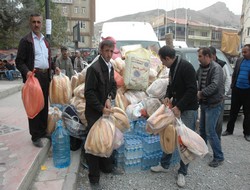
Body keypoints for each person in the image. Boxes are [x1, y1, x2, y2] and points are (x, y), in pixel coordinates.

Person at [150, 46, 198, 188]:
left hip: (187, 109)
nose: (163, 64)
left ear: (168, 58)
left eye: (163, 62)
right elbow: (171, 85)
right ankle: (164, 165)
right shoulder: (173, 68)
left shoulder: (186, 67)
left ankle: (182, 172)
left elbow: (192, 90)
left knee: (185, 141)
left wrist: (179, 107)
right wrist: (167, 97)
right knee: (168, 134)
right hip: (176, 107)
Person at [15, 13, 58, 148]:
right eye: (34, 22)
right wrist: (27, 72)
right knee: (35, 106)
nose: (36, 24)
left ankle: (43, 131)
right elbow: (19, 61)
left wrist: (55, 67)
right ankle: (35, 136)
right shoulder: (26, 41)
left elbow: (48, 60)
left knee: (44, 105)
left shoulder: (45, 41)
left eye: (38, 22)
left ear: (41, 24)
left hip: (45, 76)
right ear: (30, 23)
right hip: (34, 76)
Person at [84, 39, 117, 185]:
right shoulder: (94, 68)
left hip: (105, 111)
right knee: (94, 145)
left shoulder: (111, 67)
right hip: (94, 112)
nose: (109, 54)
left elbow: (113, 86)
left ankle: (106, 168)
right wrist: (101, 108)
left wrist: (109, 98)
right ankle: (94, 179)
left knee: (106, 139)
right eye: (106, 51)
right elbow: (89, 93)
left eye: (111, 51)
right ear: (101, 50)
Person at [196, 47, 224, 167]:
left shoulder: (216, 68)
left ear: (208, 56)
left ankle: (219, 157)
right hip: (204, 104)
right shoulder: (201, 68)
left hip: (214, 104)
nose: (198, 59)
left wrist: (201, 93)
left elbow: (214, 85)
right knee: (202, 129)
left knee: (210, 131)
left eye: (200, 56)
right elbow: (195, 79)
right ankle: (203, 150)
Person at [222, 44, 250, 142]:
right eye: (242, 52)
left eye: (245, 52)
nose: (243, 54)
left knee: (247, 114)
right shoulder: (239, 61)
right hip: (237, 90)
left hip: (248, 92)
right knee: (233, 112)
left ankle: (247, 133)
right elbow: (234, 74)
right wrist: (233, 85)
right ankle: (229, 130)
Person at [209, 46, 231, 139]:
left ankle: (217, 138)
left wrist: (224, 93)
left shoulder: (222, 65)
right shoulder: (207, 64)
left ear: (213, 55)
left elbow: (228, 80)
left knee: (218, 121)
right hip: (209, 97)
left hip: (219, 97)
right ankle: (210, 137)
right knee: (209, 119)